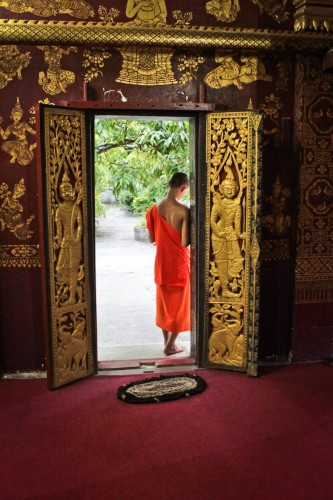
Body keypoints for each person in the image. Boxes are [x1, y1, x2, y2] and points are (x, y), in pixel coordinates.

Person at [146, 172, 190, 355]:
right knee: (181, 307)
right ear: (182, 188)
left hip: (162, 266)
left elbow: (151, 238)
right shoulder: (183, 211)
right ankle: (171, 344)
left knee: (164, 306)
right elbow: (185, 242)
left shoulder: (153, 209)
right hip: (179, 264)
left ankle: (167, 342)